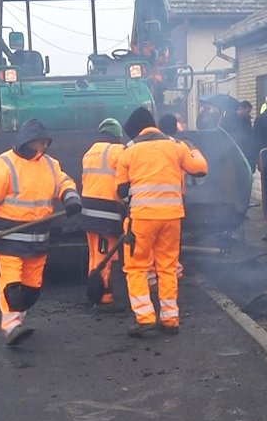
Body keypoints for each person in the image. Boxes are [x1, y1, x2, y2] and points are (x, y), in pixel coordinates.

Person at [0, 118, 81, 346]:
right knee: (11, 285)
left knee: (31, 289)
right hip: (9, 238)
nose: (44, 146)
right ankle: (11, 327)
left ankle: (18, 322)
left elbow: (63, 182)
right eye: (40, 142)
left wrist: (70, 196)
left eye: (45, 142)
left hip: (38, 238)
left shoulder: (50, 164)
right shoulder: (3, 165)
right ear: (28, 141)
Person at [116, 107, 208, 335]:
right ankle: (170, 319)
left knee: (136, 268)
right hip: (172, 218)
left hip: (143, 218)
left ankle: (145, 317)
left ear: (136, 131)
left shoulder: (129, 151)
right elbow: (200, 169)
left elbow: (120, 191)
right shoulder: (176, 146)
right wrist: (193, 148)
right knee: (167, 267)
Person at [77, 118, 126, 307]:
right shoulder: (117, 151)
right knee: (108, 254)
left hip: (89, 211)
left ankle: (94, 292)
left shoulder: (90, 152)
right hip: (107, 212)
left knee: (94, 254)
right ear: (117, 135)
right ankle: (106, 295)